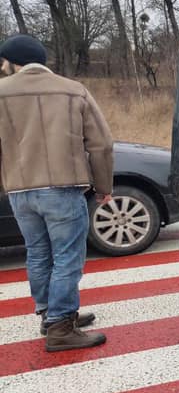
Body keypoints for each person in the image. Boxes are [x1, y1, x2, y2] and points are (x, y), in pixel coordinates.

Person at [0, 35, 114, 351]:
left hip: (20, 191)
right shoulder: (73, 90)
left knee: (37, 253)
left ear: (10, 62)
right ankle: (61, 327)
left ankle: (50, 316)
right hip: (63, 189)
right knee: (67, 256)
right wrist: (103, 187)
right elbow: (101, 144)